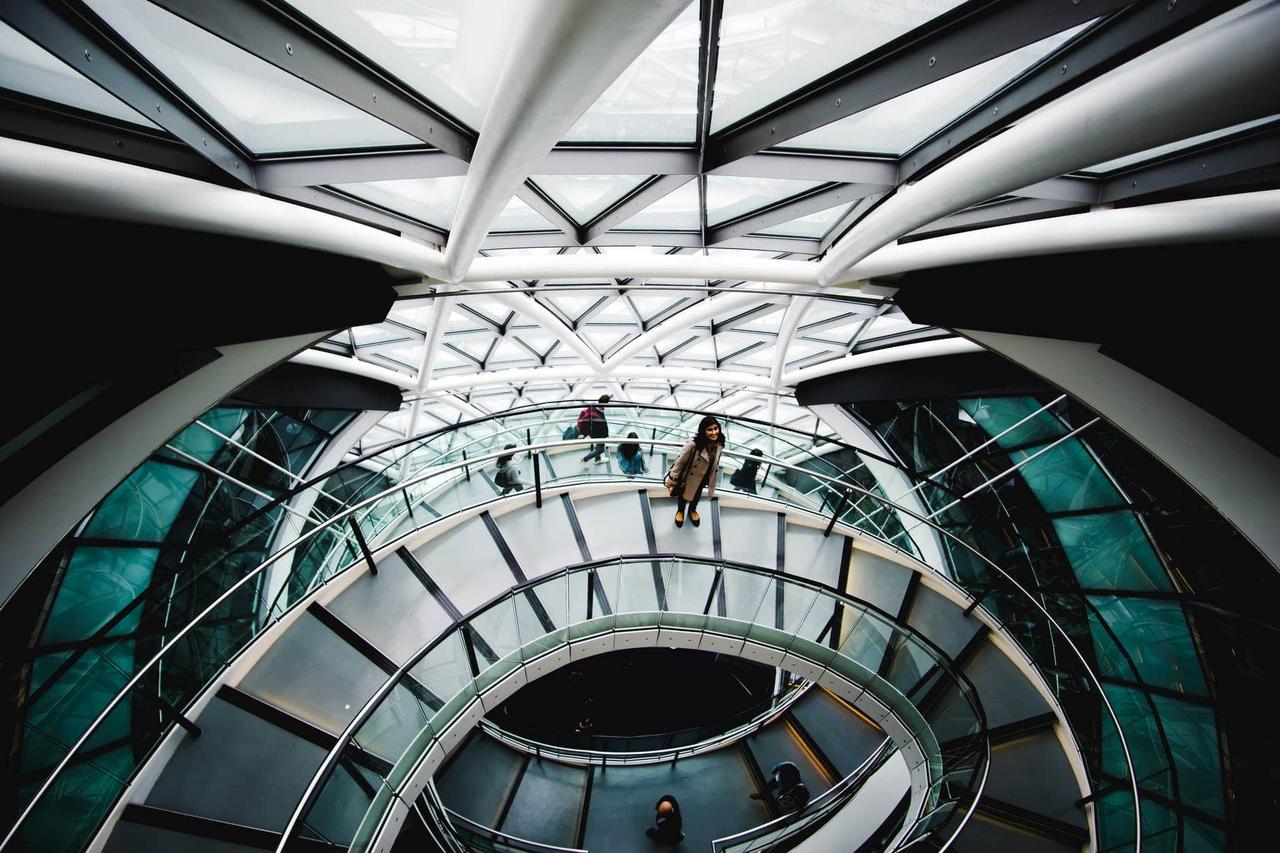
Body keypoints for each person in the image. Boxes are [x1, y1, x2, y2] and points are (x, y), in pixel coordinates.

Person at [665, 416, 724, 528]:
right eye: (709, 429)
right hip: (689, 477)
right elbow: (680, 462)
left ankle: (692, 509)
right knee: (683, 494)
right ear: (703, 431)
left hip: (705, 475)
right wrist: (673, 479)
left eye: (716, 428)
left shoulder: (720, 442)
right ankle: (680, 511)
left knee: (697, 494)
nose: (714, 432)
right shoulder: (693, 444)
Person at [577, 394, 611, 462]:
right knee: (601, 450)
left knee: (598, 447)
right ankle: (584, 459)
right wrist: (605, 436)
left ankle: (597, 459)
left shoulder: (595, 407)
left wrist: (609, 397)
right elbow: (600, 427)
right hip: (598, 434)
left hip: (595, 433)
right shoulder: (597, 416)